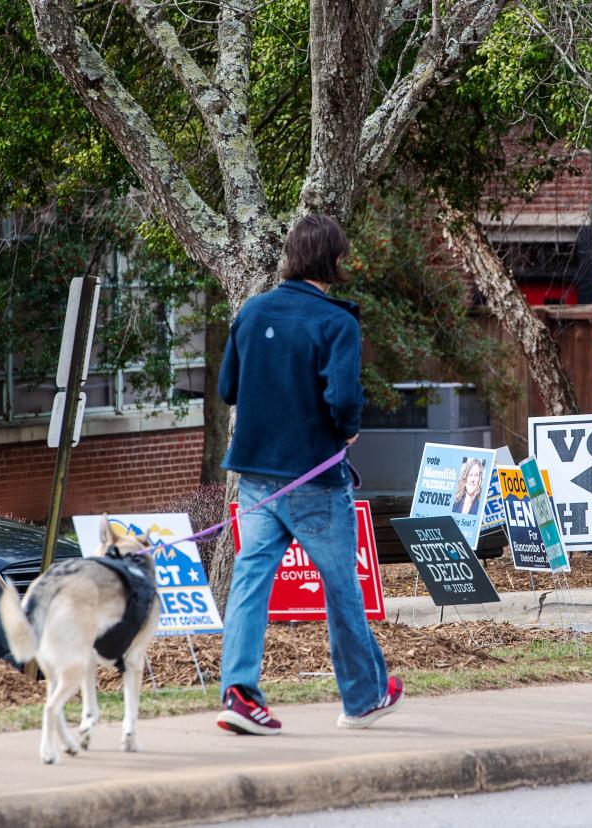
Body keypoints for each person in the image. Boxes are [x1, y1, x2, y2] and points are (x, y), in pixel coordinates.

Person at [216, 214, 402, 735]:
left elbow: (228, 388)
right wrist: (346, 431)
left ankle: (239, 693)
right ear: (332, 260)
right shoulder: (337, 322)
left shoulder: (251, 313)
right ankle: (364, 696)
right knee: (342, 584)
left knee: (250, 580)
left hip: (253, 473)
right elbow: (343, 398)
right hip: (315, 478)